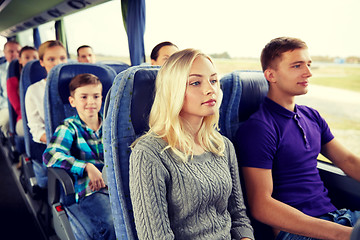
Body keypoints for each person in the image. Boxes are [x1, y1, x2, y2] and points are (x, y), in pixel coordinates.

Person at [235, 37, 360, 240]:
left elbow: (348, 161)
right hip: (298, 232)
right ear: (271, 75)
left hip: (339, 218)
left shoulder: (312, 116)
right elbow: (261, 206)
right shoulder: (259, 128)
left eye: (308, 64)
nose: (308, 73)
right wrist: (343, 234)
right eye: (297, 65)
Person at [129, 48, 254, 239]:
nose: (210, 89)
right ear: (173, 91)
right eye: (195, 83)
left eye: (213, 81)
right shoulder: (149, 153)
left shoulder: (223, 146)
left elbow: (238, 217)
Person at [43, 73, 115, 240]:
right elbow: (51, 155)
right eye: (84, 97)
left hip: (116, 187)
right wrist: (86, 166)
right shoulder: (69, 127)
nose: (91, 102)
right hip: (91, 191)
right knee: (112, 224)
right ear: (72, 101)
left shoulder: (111, 124)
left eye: (96, 96)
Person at [25, 40, 67, 144]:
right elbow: (36, 129)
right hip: (54, 144)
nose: (58, 63)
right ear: (42, 62)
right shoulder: (34, 90)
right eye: (51, 59)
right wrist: (60, 142)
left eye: (62, 58)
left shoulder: (78, 86)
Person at [7, 46, 39, 136]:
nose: (31, 61)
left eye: (34, 58)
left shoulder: (43, 76)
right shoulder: (13, 79)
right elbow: (17, 107)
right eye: (27, 58)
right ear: (20, 60)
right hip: (23, 118)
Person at [0, 40, 21, 136]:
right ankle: (10, 144)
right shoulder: (1, 70)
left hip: (23, 106)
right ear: (4, 53)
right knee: (7, 120)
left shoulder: (27, 68)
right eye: (11, 52)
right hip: (5, 106)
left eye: (18, 52)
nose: (15, 54)